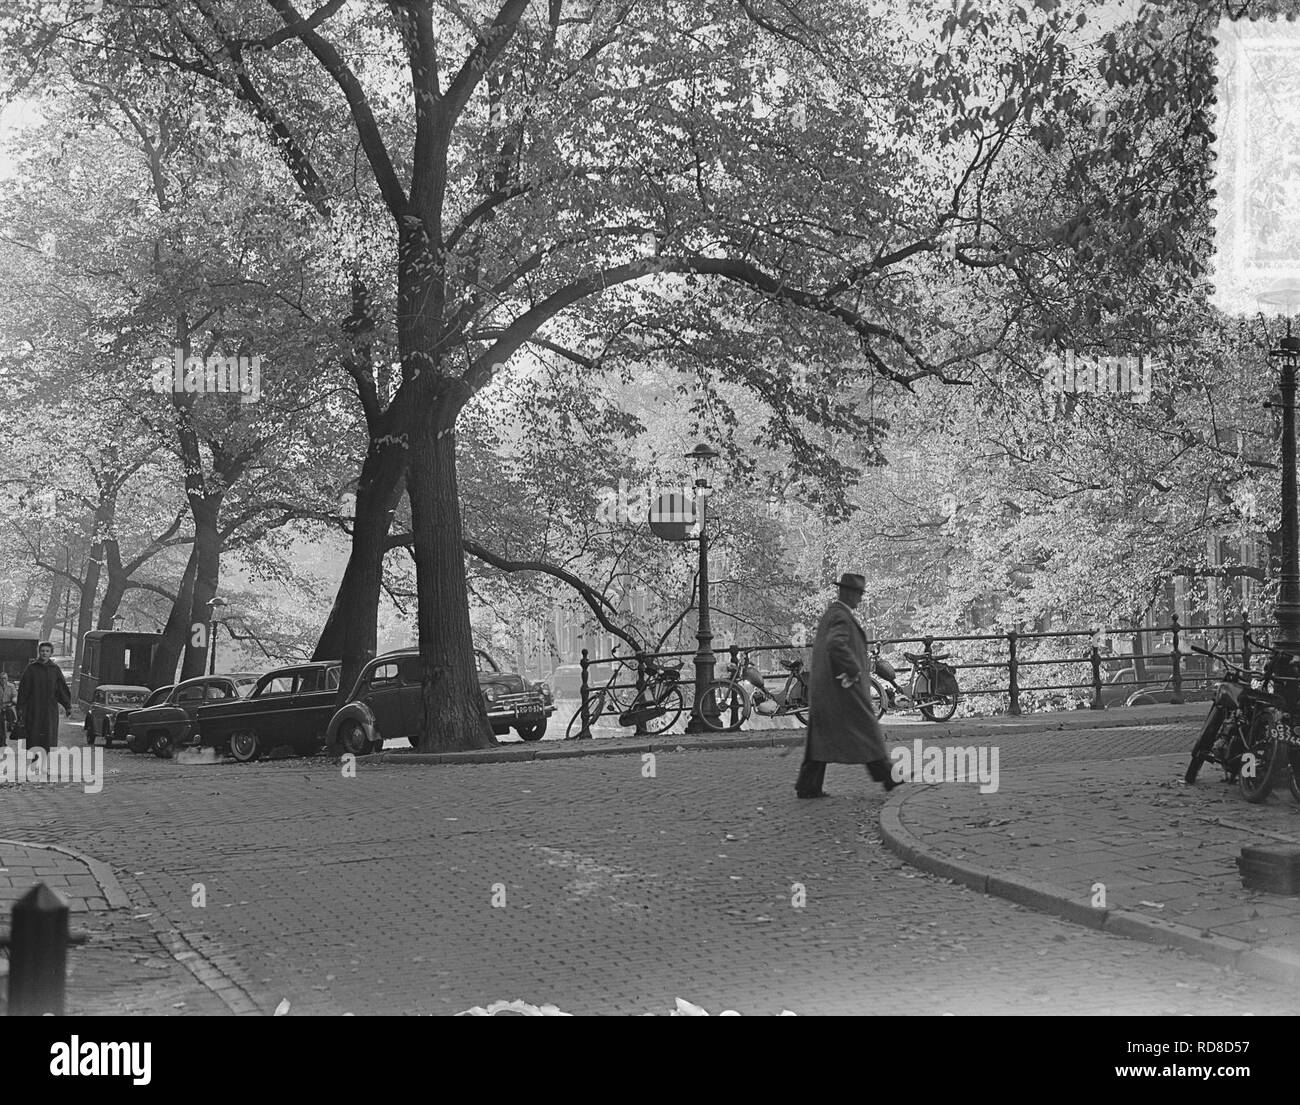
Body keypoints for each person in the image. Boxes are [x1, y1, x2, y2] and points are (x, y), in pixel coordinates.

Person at [795, 573, 899, 798]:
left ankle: (808, 785)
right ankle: (889, 778)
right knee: (867, 731)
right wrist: (852, 670)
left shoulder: (833, 614)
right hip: (842, 691)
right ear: (848, 593)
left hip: (828, 691)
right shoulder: (841, 616)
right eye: (859, 594)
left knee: (821, 738)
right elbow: (836, 644)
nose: (860, 599)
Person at [17, 642, 72, 751]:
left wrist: (67, 706)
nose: (44, 653)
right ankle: (34, 761)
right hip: (34, 708)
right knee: (34, 735)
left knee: (47, 736)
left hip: (49, 709)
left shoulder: (55, 669)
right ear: (39, 652)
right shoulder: (31, 669)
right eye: (42, 651)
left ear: (51, 653)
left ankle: (44, 761)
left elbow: (61, 689)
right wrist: (21, 707)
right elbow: (23, 689)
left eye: (47, 651)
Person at [0, 670, 15, 745]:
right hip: (0, 706)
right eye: (1, 678)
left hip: (9, 705)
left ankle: (12, 725)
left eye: (4, 678)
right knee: (2, 721)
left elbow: (15, 696)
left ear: (7, 679)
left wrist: (13, 700)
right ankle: (2, 740)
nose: (3, 680)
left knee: (10, 712)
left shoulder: (11, 686)